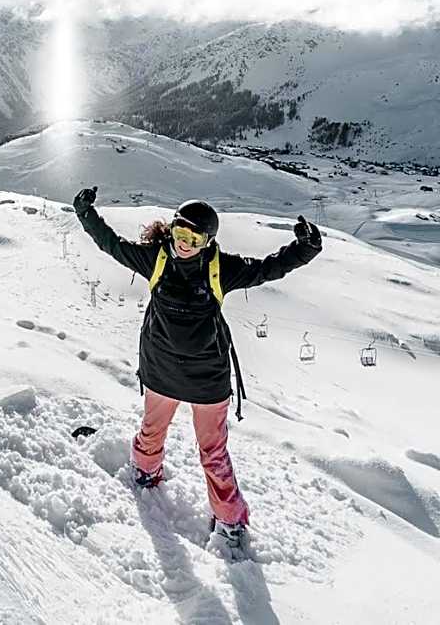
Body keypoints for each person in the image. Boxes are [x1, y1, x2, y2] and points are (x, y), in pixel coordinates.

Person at [73, 185, 322, 548]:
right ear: (171, 229)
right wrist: (86, 213)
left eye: (194, 237)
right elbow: (112, 244)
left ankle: (226, 519)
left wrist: (306, 248)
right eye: (179, 233)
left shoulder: (222, 269)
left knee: (212, 450)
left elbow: (270, 268)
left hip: (202, 379)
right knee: (154, 430)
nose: (184, 243)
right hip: (168, 372)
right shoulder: (156, 259)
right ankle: (152, 476)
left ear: (208, 241)